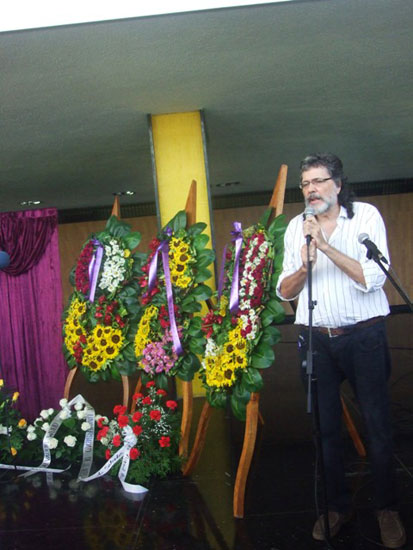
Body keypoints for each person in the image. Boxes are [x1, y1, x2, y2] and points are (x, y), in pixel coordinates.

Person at [276, 152, 406, 548]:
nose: (311, 189)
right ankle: (336, 507)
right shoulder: (295, 227)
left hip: (364, 337)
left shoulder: (364, 216)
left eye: (318, 181)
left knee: (377, 425)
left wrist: (326, 247)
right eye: (305, 184)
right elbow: (284, 291)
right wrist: (305, 266)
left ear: (338, 184)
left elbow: (372, 279)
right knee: (324, 429)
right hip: (315, 339)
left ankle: (386, 509)